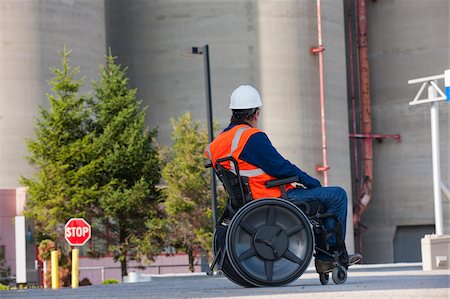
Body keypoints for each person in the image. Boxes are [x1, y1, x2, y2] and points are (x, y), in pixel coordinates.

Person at [204, 85, 362, 271]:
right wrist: (311, 182)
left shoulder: (218, 142)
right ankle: (330, 256)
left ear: (233, 112)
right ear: (256, 113)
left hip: (247, 201)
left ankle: (325, 257)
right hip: (272, 197)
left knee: (325, 198)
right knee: (336, 195)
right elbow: (281, 167)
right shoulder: (252, 137)